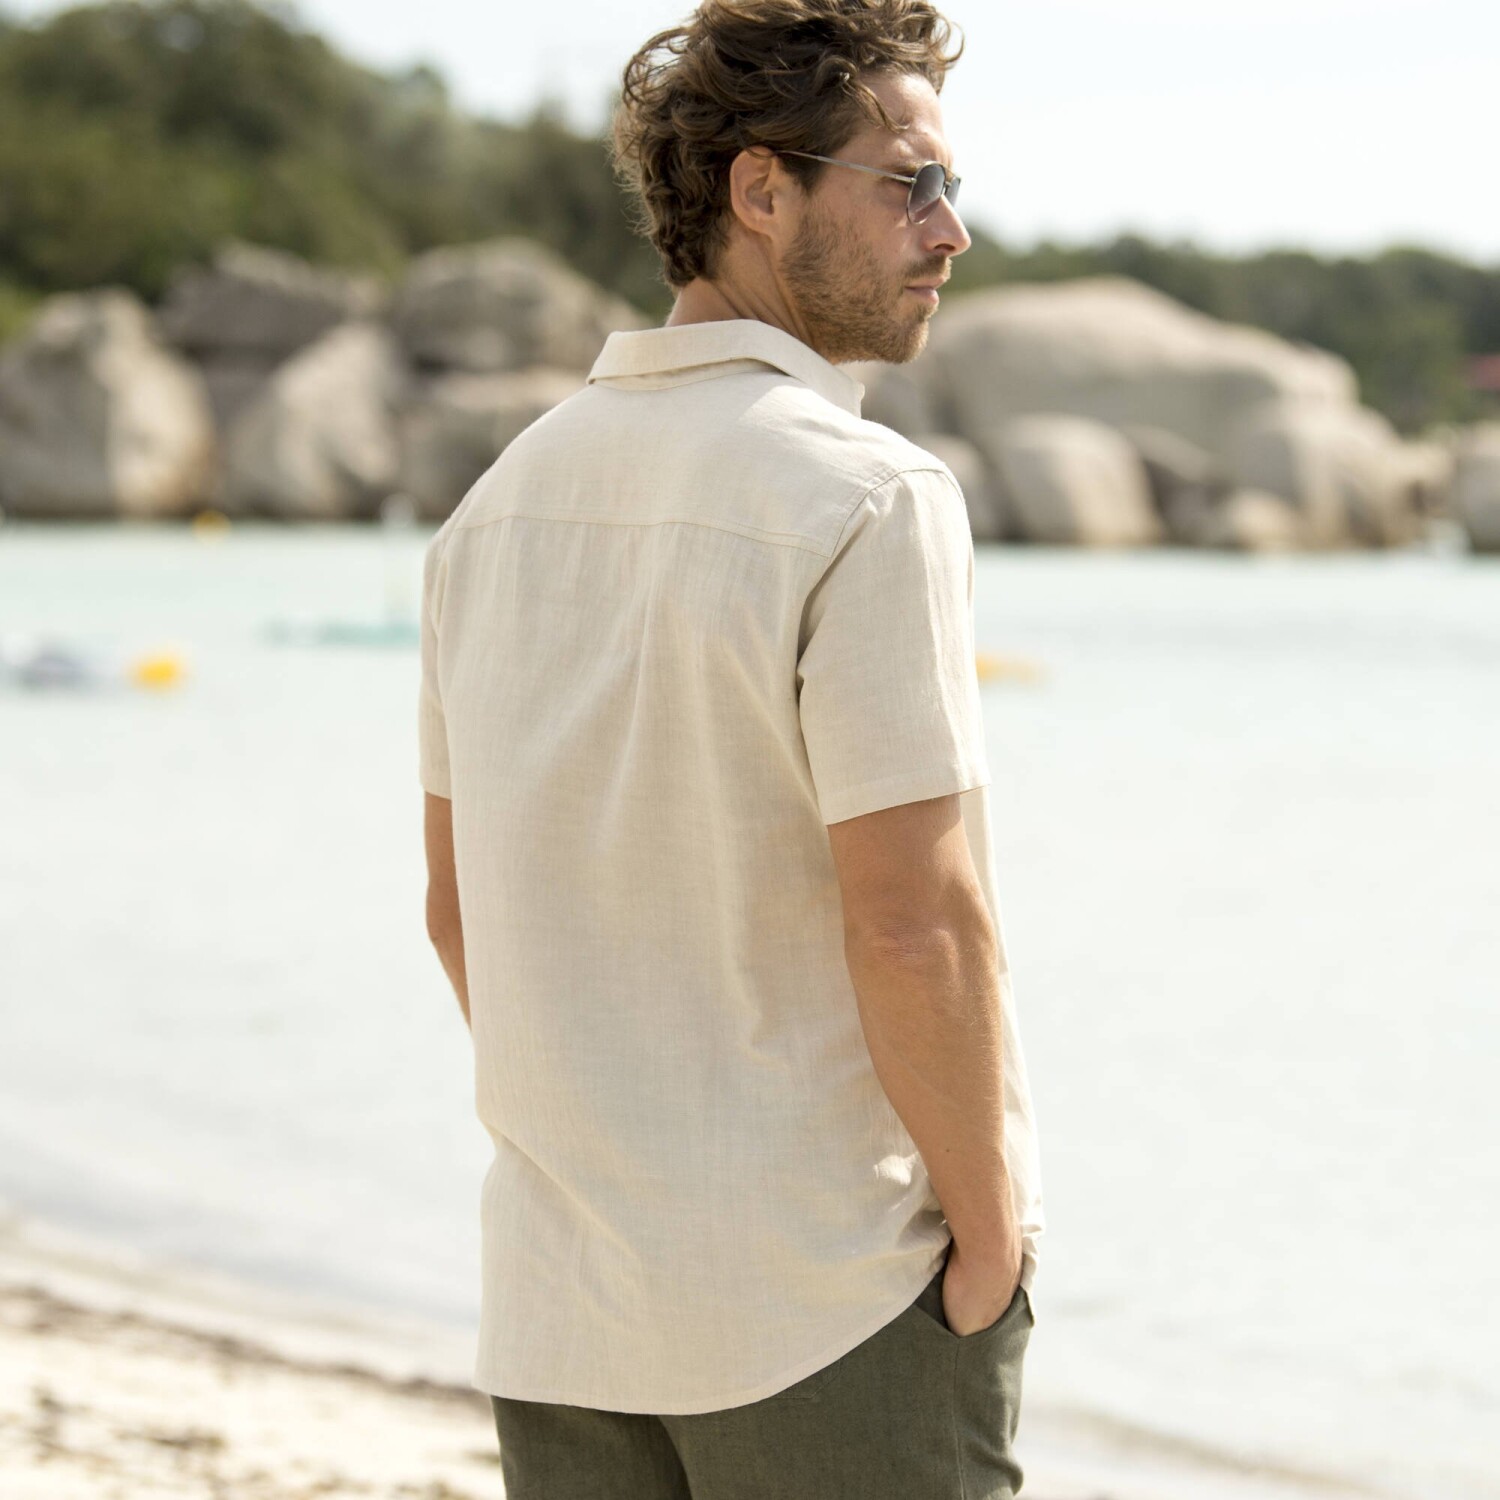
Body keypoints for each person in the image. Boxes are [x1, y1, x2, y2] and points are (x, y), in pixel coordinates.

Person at [418, 1, 1044, 1494]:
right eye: (911, 183)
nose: (950, 231)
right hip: (824, 1299)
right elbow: (916, 924)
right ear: (762, 190)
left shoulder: (494, 511)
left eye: (952, 188)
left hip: (565, 1309)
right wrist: (991, 1235)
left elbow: (457, 913)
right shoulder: (869, 496)